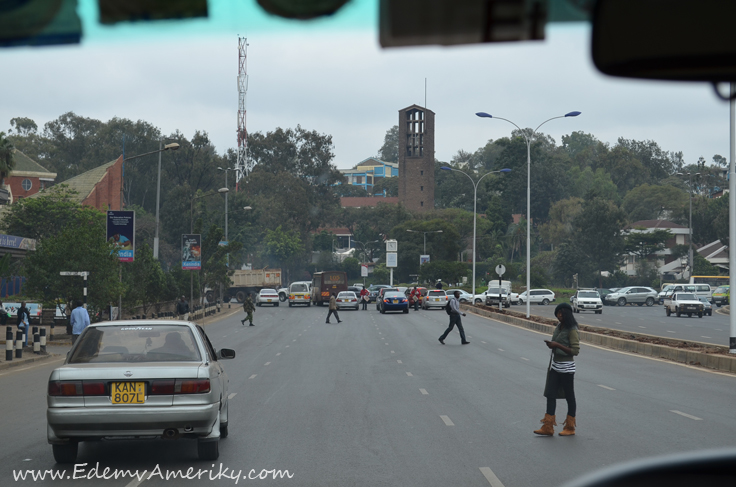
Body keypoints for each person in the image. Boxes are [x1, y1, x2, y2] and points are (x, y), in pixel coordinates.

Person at [534, 302, 580, 437]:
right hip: (555, 366)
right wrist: (552, 345)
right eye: (557, 313)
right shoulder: (559, 327)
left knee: (569, 396)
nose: (559, 316)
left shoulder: (572, 329)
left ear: (567, 314)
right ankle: (548, 426)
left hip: (566, 368)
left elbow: (575, 350)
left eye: (561, 313)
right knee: (550, 394)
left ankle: (570, 427)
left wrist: (557, 345)